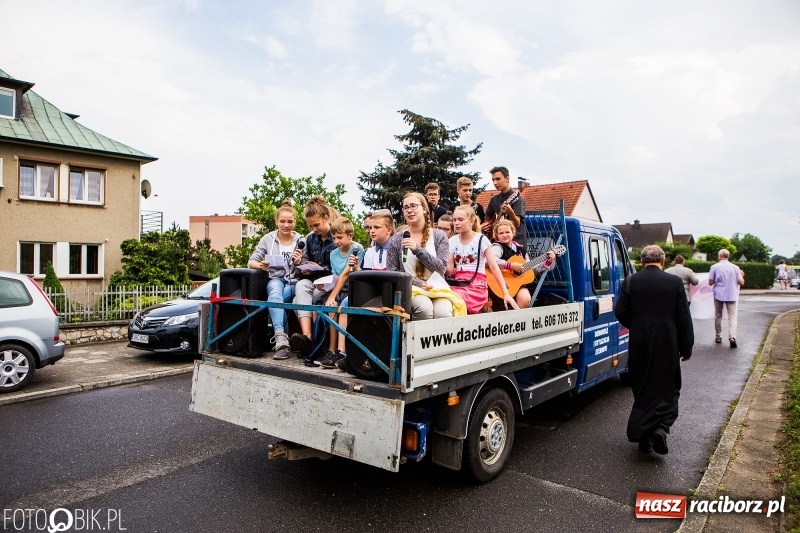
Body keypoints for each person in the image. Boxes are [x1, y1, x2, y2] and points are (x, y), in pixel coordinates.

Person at [614, 245, 694, 455]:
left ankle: (644, 438)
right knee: (668, 387)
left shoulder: (631, 281)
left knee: (642, 386)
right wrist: (686, 347)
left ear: (641, 261)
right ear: (663, 260)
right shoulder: (674, 282)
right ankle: (660, 428)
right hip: (668, 341)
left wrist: (637, 324)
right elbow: (683, 318)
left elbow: (620, 311)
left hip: (639, 340)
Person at [386, 192, 458, 320]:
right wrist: (417, 283)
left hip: (437, 287)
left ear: (424, 209)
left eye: (413, 206)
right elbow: (393, 272)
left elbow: (441, 268)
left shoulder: (439, 236)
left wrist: (417, 249)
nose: (409, 210)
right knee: (424, 309)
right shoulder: (397, 239)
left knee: (444, 313)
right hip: (411, 288)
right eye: (406, 207)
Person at [247, 200, 302, 360]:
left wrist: (299, 262)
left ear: (295, 222)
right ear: (276, 222)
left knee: (276, 300)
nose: (286, 225)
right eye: (282, 221)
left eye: (290, 222)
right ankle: (280, 337)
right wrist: (261, 266)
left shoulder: (300, 239)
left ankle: (281, 341)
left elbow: (306, 266)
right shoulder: (267, 238)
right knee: (275, 292)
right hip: (275, 278)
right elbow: (251, 261)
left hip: (294, 281)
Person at [290, 196, 339, 357]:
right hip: (313, 281)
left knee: (298, 301)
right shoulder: (310, 238)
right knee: (300, 286)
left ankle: (313, 343)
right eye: (310, 225)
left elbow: (338, 269)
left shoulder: (337, 236)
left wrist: (320, 268)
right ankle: (308, 337)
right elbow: (305, 263)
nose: (314, 229)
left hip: (329, 284)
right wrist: (300, 264)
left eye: (316, 225)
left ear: (326, 218)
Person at [446, 206, 517, 314]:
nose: (456, 223)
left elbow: (494, 267)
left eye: (460, 220)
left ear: (471, 221)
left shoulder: (481, 239)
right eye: (454, 220)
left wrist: (505, 294)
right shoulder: (451, 241)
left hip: (476, 284)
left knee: (458, 300)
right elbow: (450, 270)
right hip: (458, 283)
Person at [318, 218, 365, 368]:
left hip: (352, 287)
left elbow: (346, 274)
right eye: (334, 238)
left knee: (335, 304)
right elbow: (336, 276)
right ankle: (331, 349)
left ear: (350, 236)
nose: (336, 241)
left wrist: (332, 296)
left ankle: (340, 351)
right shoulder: (333, 254)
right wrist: (325, 287)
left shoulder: (357, 249)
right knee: (327, 306)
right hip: (338, 287)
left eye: (339, 237)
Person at [490, 219, 532, 309]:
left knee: (525, 299)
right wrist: (511, 265)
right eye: (501, 233)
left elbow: (529, 269)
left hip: (517, 284)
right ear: (496, 235)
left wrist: (546, 262)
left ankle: (518, 320)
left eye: (507, 232)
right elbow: (490, 260)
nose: (505, 235)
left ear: (513, 233)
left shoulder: (520, 249)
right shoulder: (497, 247)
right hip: (499, 284)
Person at [481, 166, 526, 248]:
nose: (495, 183)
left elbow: (517, 224)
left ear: (507, 179)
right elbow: (487, 220)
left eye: (498, 179)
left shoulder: (518, 199)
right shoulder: (494, 200)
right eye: (493, 180)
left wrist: (510, 213)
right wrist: (488, 227)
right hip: (498, 243)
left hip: (515, 244)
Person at [709, 249, 745, 348]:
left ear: (720, 256)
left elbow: (711, 282)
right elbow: (741, 282)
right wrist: (742, 276)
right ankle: (732, 337)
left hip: (719, 294)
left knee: (718, 316)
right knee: (732, 317)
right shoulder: (735, 267)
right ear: (728, 256)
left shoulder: (714, 267)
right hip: (732, 294)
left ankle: (718, 336)